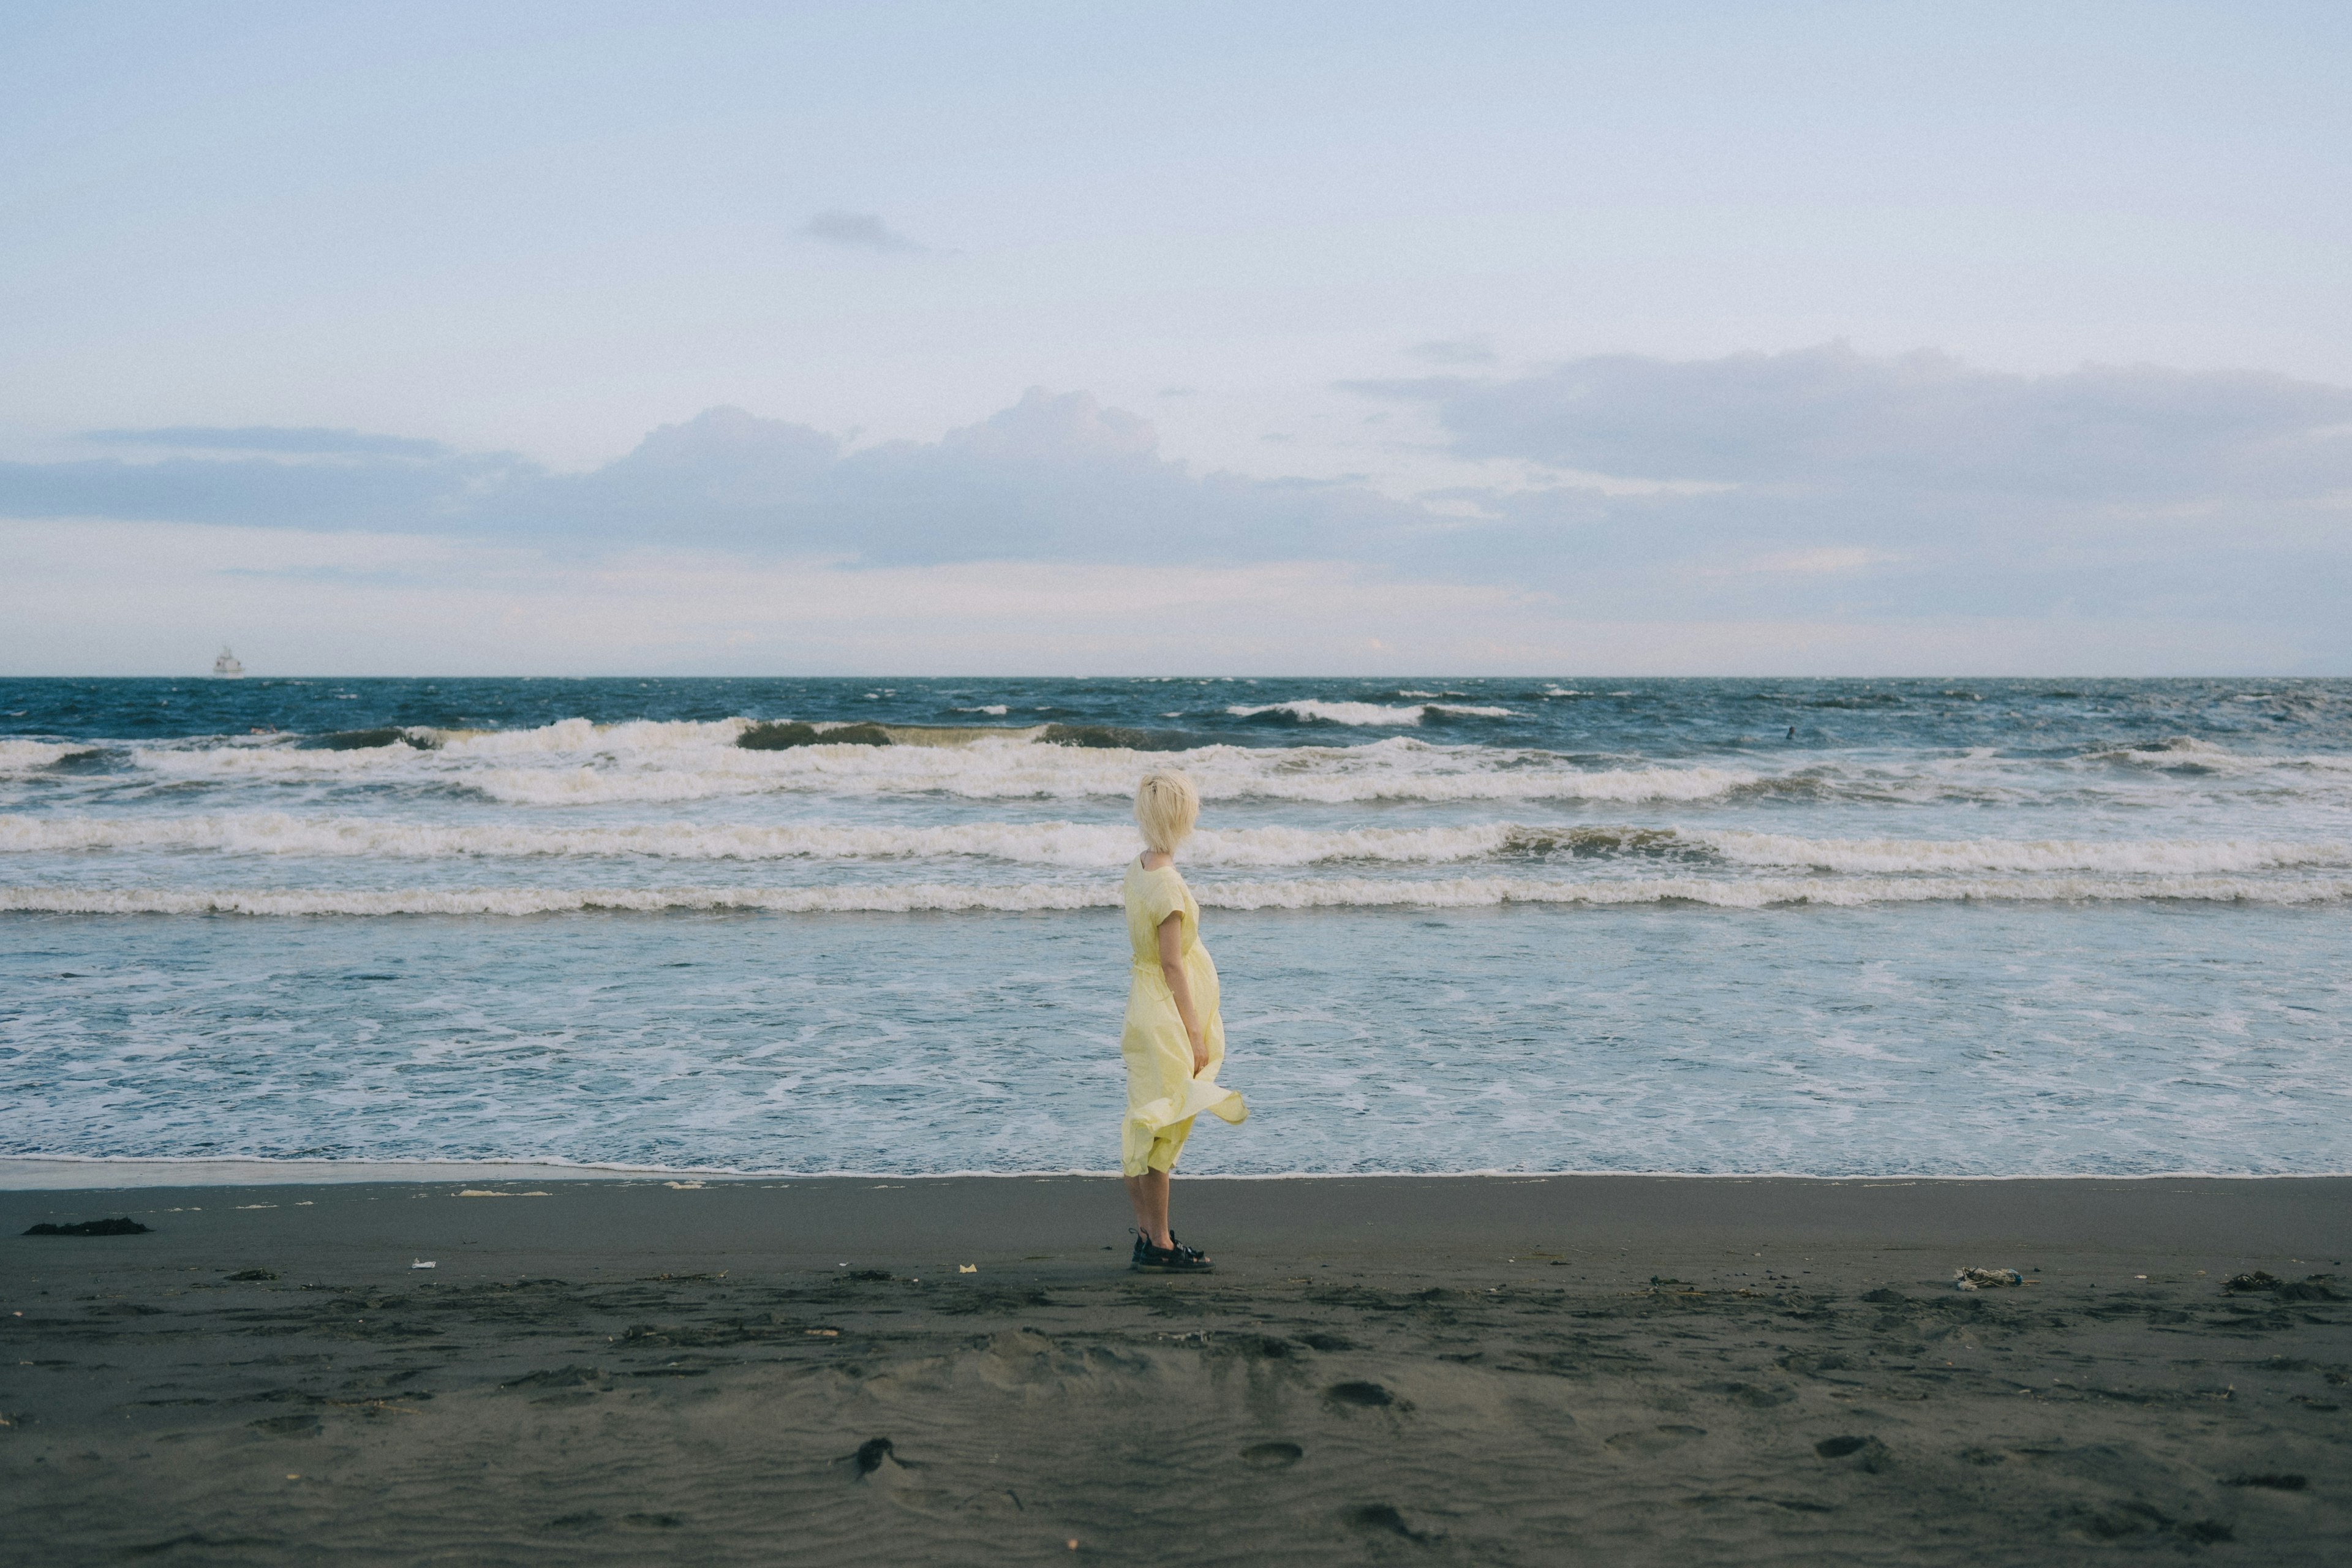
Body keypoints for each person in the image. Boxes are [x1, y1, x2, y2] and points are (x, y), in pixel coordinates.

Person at [1119, 770, 1248, 1272]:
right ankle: (1161, 1246)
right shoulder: (1169, 885)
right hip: (1166, 1014)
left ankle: (1152, 1237)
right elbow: (1172, 963)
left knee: (1147, 1121)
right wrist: (1195, 1032)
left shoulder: (1139, 868)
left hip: (1142, 1004)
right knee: (1164, 1126)